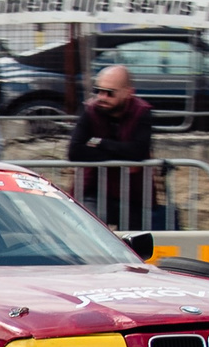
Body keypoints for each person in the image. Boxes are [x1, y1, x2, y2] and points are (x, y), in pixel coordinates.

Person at [69, 63, 165, 230]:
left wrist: (100, 143)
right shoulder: (90, 111)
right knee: (90, 231)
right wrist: (122, 157)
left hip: (134, 195)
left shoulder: (141, 112)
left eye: (110, 93)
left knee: (134, 240)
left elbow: (138, 152)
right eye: (98, 91)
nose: (102, 97)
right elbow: (75, 152)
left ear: (128, 92)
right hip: (93, 190)